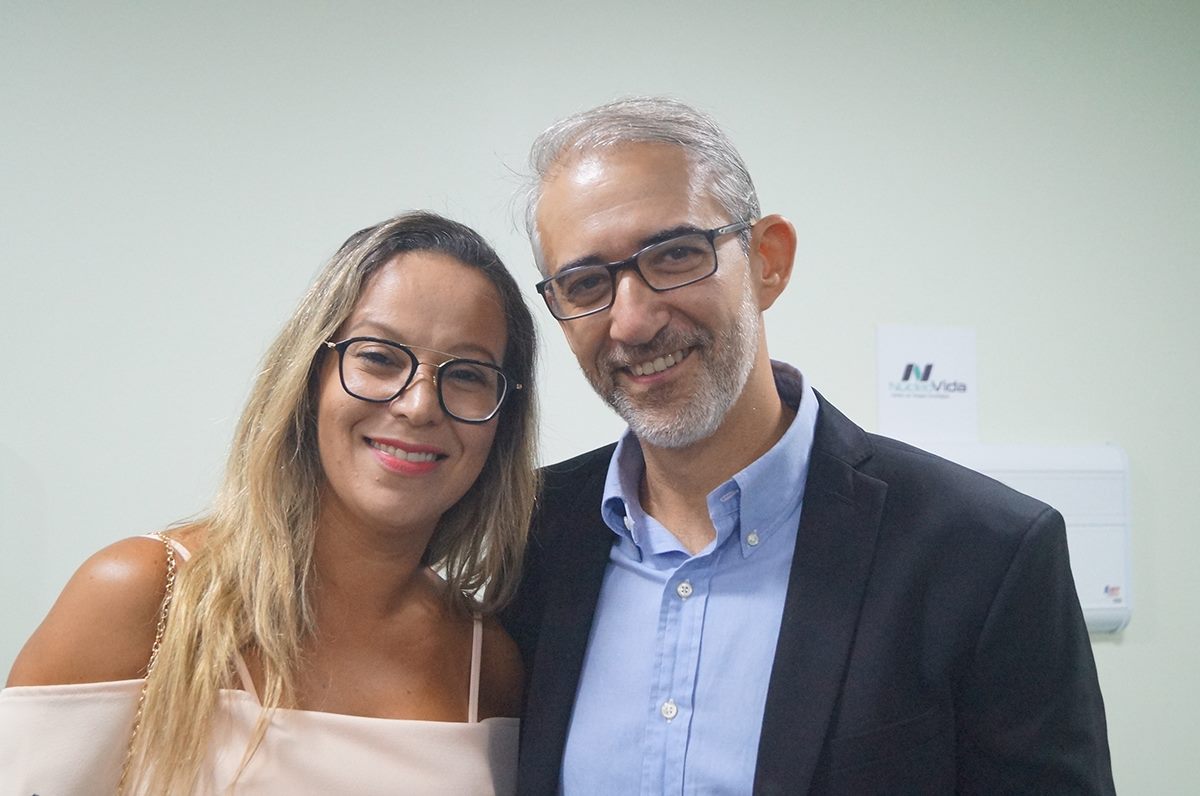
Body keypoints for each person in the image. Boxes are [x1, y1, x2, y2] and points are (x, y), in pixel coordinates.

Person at [504, 97, 1115, 794]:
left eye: (674, 255)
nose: (633, 321)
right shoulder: (529, 538)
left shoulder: (984, 554)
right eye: (586, 283)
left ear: (767, 261)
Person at [1, 212, 537, 794]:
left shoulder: (490, 662)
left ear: (502, 419)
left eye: (467, 375)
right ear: (309, 377)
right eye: (380, 357)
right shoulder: (143, 594)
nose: (418, 406)